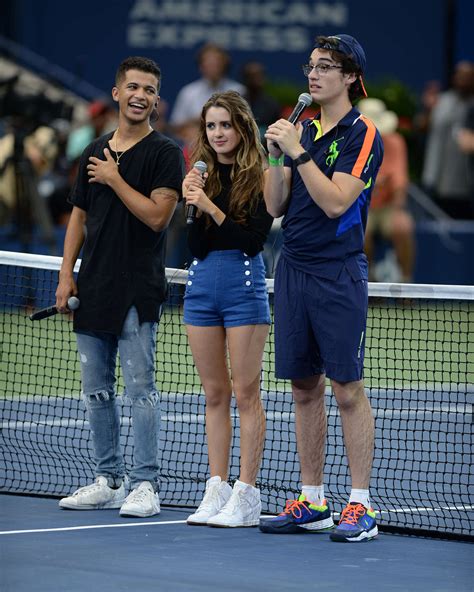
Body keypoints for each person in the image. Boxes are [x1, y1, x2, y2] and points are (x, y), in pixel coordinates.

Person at [258, 34, 383, 542]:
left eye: (327, 67)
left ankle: (361, 506)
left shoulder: (363, 132)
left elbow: (335, 203)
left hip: (338, 272)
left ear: (351, 76)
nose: (314, 74)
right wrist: (274, 156)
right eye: (311, 66)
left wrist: (298, 151)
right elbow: (273, 206)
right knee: (303, 388)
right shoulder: (302, 128)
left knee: (346, 389)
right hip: (293, 269)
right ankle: (313, 500)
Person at [55, 56, 186, 517]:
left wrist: (114, 176)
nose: (140, 95)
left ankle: (145, 484)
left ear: (156, 99)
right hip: (93, 287)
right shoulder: (93, 148)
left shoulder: (166, 153)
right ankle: (109, 479)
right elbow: (79, 214)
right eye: (132, 87)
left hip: (138, 289)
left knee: (140, 391)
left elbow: (157, 217)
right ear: (116, 93)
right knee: (96, 391)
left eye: (149, 90)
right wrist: (66, 271)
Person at [182, 90, 273, 528]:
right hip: (201, 292)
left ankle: (246, 493)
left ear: (241, 127)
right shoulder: (200, 179)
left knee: (245, 393)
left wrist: (210, 207)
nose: (218, 133)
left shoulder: (261, 176)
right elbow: (195, 246)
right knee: (214, 394)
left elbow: (252, 240)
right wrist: (193, 202)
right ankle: (216, 486)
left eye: (225, 125)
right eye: (211, 126)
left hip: (244, 290)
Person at [358, 98, 415, 282]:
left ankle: (406, 282)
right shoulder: (352, 141)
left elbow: (399, 179)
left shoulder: (396, 142)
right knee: (359, 231)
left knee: (403, 227)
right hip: (359, 205)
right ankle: (369, 282)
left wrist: (398, 210)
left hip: (388, 206)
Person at [421, 61, 474, 219]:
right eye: (460, 76)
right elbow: (423, 127)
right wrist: (428, 109)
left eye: (467, 76)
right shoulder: (441, 101)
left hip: (468, 184)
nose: (462, 80)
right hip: (438, 179)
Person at [169, 43, 244, 147]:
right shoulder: (188, 92)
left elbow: (245, 123)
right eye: (208, 63)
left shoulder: (238, 91)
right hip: (194, 145)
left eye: (216, 63)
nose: (213, 67)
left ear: (225, 65)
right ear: (201, 66)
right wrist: (196, 121)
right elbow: (175, 127)